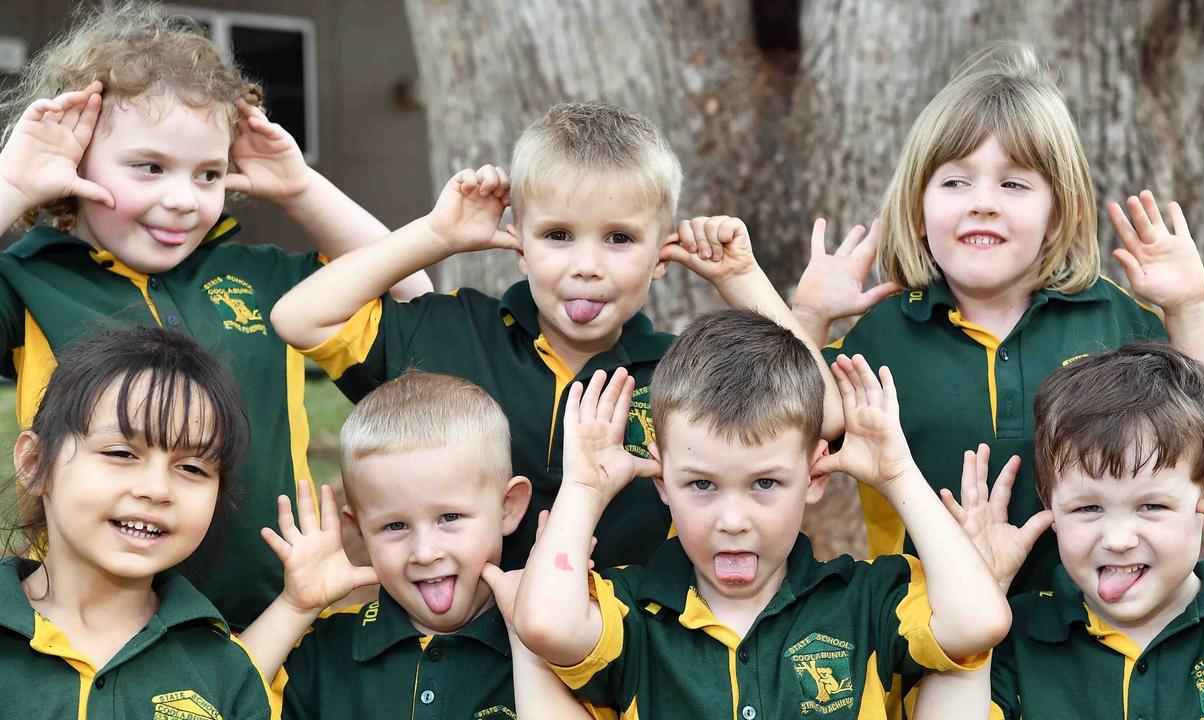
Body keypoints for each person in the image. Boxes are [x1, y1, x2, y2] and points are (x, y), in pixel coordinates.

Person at [0, 0, 429, 626]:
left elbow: (411, 294)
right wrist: (13, 184)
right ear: (75, 157)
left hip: (282, 617)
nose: (182, 200)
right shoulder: (31, 280)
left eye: (208, 174)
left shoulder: (266, 278)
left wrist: (303, 185)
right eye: (150, 167)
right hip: (97, 633)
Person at [271, 101, 841, 571]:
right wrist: (436, 234)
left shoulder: (683, 373)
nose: (586, 266)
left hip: (627, 668)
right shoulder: (450, 333)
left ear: (661, 253)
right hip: (470, 661)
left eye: (619, 239)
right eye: (558, 235)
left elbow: (828, 413)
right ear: (518, 239)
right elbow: (301, 318)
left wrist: (742, 279)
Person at [790, 41, 1204, 597]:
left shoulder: (1110, 320)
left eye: (1013, 184)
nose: (982, 202)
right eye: (955, 181)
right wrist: (809, 317)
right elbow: (781, 425)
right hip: (930, 626)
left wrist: (1188, 309)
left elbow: (1203, 441)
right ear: (919, 210)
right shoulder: (883, 335)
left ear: (1058, 212)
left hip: (1092, 629)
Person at [514, 309, 1009, 719]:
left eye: (765, 484)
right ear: (662, 481)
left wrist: (897, 474)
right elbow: (544, 626)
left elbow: (978, 622)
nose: (733, 520)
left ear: (815, 477)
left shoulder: (865, 601)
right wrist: (583, 488)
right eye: (702, 484)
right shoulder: (633, 613)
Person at [915, 342, 1204, 720]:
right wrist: (975, 602)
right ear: (1050, 508)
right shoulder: (1014, 638)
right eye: (1088, 507)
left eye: (1151, 506)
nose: (1118, 540)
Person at [238, 371, 611, 719]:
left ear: (508, 508)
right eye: (395, 525)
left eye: (449, 518)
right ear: (360, 530)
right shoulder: (325, 650)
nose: (425, 552)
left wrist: (526, 639)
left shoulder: (564, 643)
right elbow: (210, 701)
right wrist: (295, 606)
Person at [0, 327, 275, 719]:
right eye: (121, 453)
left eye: (192, 467)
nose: (156, 489)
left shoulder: (227, 670)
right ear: (33, 464)